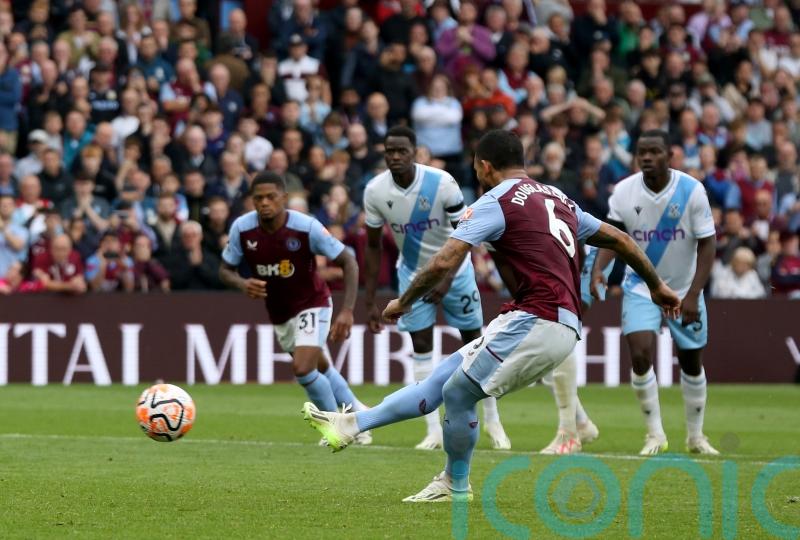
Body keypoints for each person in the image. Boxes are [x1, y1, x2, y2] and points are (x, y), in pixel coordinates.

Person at [302, 130, 679, 502]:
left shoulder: (494, 201)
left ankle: (455, 483)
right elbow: (622, 240)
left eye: (476, 168)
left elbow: (446, 259)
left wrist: (405, 300)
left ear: (485, 166)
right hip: (545, 318)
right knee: (441, 380)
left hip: (537, 318)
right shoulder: (559, 197)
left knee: (457, 393)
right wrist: (658, 285)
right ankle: (351, 424)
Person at [362, 126, 511, 451]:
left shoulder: (442, 183)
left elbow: (467, 233)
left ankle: (493, 419)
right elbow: (372, 247)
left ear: (416, 152)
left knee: (475, 343)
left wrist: (445, 279)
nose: (395, 156)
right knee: (421, 345)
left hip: (455, 274)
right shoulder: (375, 191)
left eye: (402, 150)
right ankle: (432, 430)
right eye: (390, 151)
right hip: (413, 276)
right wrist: (370, 298)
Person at [591, 130, 720, 456]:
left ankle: (695, 436)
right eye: (641, 152)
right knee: (640, 354)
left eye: (654, 151)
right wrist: (598, 270)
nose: (647, 157)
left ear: (669, 156)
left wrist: (693, 295)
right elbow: (613, 237)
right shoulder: (623, 191)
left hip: (684, 288)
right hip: (641, 286)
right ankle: (654, 434)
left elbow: (707, 243)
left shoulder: (692, 190)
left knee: (690, 363)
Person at [219, 171, 371, 444]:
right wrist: (242, 284)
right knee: (320, 365)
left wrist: (347, 310)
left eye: (271, 197)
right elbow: (225, 270)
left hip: (313, 302)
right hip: (279, 312)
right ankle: (358, 412)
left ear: (284, 198)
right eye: (258, 198)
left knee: (302, 368)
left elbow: (348, 261)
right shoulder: (242, 228)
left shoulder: (306, 227)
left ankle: (336, 426)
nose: (264, 203)